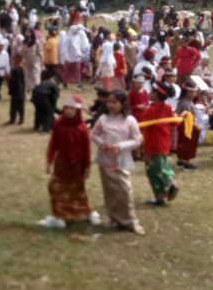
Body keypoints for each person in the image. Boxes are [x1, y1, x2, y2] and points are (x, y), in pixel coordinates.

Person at [90, 90, 144, 235]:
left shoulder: (130, 120)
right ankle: (113, 218)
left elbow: (137, 140)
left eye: (115, 102)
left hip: (121, 160)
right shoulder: (103, 119)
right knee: (110, 191)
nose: (111, 105)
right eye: (109, 102)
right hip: (105, 159)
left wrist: (119, 147)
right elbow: (94, 135)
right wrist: (103, 144)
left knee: (125, 191)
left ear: (123, 103)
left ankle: (130, 221)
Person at [39, 95, 96, 229]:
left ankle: (86, 212)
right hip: (62, 165)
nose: (69, 111)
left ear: (78, 111)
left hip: (77, 166)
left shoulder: (82, 128)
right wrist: (49, 160)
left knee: (78, 191)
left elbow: (86, 149)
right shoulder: (59, 124)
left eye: (72, 109)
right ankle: (58, 215)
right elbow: (53, 144)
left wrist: (87, 167)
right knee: (55, 187)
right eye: (67, 108)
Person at [139, 81, 179, 205]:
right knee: (160, 165)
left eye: (152, 92)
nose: (149, 93)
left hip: (152, 144)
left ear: (156, 95)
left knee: (153, 170)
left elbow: (143, 128)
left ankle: (169, 180)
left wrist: (143, 146)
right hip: (164, 143)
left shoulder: (149, 111)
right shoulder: (167, 108)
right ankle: (160, 196)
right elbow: (174, 123)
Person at [175, 79, 201, 171]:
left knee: (183, 144)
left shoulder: (186, 101)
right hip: (186, 127)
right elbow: (187, 118)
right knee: (187, 145)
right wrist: (195, 126)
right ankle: (185, 161)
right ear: (188, 92)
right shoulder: (185, 103)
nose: (195, 94)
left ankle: (181, 160)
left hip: (186, 126)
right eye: (194, 92)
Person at [31, 69, 60, 133]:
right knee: (48, 112)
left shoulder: (44, 82)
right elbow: (54, 98)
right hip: (42, 97)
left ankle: (37, 126)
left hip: (34, 96)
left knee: (39, 111)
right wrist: (54, 108)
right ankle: (46, 129)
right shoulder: (54, 85)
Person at [6, 53, 26, 125]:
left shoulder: (15, 70)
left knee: (14, 106)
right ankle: (21, 119)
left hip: (16, 90)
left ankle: (13, 119)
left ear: (17, 60)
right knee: (21, 106)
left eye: (14, 60)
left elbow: (14, 81)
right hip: (21, 89)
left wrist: (8, 78)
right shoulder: (22, 69)